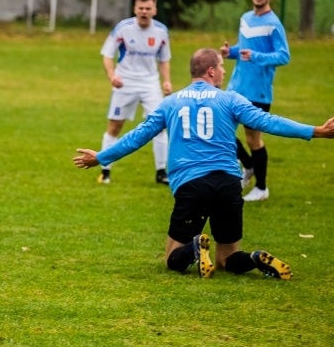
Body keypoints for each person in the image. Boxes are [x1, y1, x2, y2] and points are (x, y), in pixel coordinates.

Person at [73, 48, 334, 279]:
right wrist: (316, 131)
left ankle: (194, 247)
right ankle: (252, 259)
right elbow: (268, 121)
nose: (223, 72)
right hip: (229, 184)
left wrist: (101, 157)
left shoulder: (171, 102)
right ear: (211, 71)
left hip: (192, 185)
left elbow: (137, 136)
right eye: (221, 66)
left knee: (172, 259)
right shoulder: (231, 99)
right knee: (227, 258)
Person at [221, 0, 290, 202]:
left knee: (253, 139)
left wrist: (257, 56)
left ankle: (261, 188)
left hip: (258, 90)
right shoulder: (245, 18)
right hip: (236, 86)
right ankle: (248, 166)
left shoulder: (273, 24)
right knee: (223, 130)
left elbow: (283, 56)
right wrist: (230, 52)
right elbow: (245, 47)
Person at [97, 0, 173, 185]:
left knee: (159, 126)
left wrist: (167, 81)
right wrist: (112, 76)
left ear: (154, 10)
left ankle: (161, 171)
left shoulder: (161, 31)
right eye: (141, 8)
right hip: (125, 82)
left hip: (150, 84)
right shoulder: (123, 28)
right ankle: (105, 170)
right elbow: (107, 55)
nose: (144, 12)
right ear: (135, 9)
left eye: (148, 9)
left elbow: (164, 59)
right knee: (115, 125)